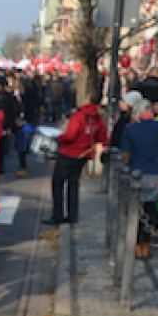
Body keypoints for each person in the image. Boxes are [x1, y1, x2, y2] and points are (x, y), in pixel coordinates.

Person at [44, 90, 107, 225]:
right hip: (84, 154)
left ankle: (58, 215)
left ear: (88, 97)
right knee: (73, 184)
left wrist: (58, 137)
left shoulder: (78, 116)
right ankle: (73, 215)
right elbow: (102, 137)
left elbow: (70, 136)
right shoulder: (98, 118)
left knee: (58, 183)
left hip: (69, 153)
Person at [120, 96, 158, 259]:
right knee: (150, 211)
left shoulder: (130, 130)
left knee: (135, 212)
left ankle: (136, 246)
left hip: (136, 174)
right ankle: (146, 247)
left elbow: (125, 154)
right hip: (154, 174)